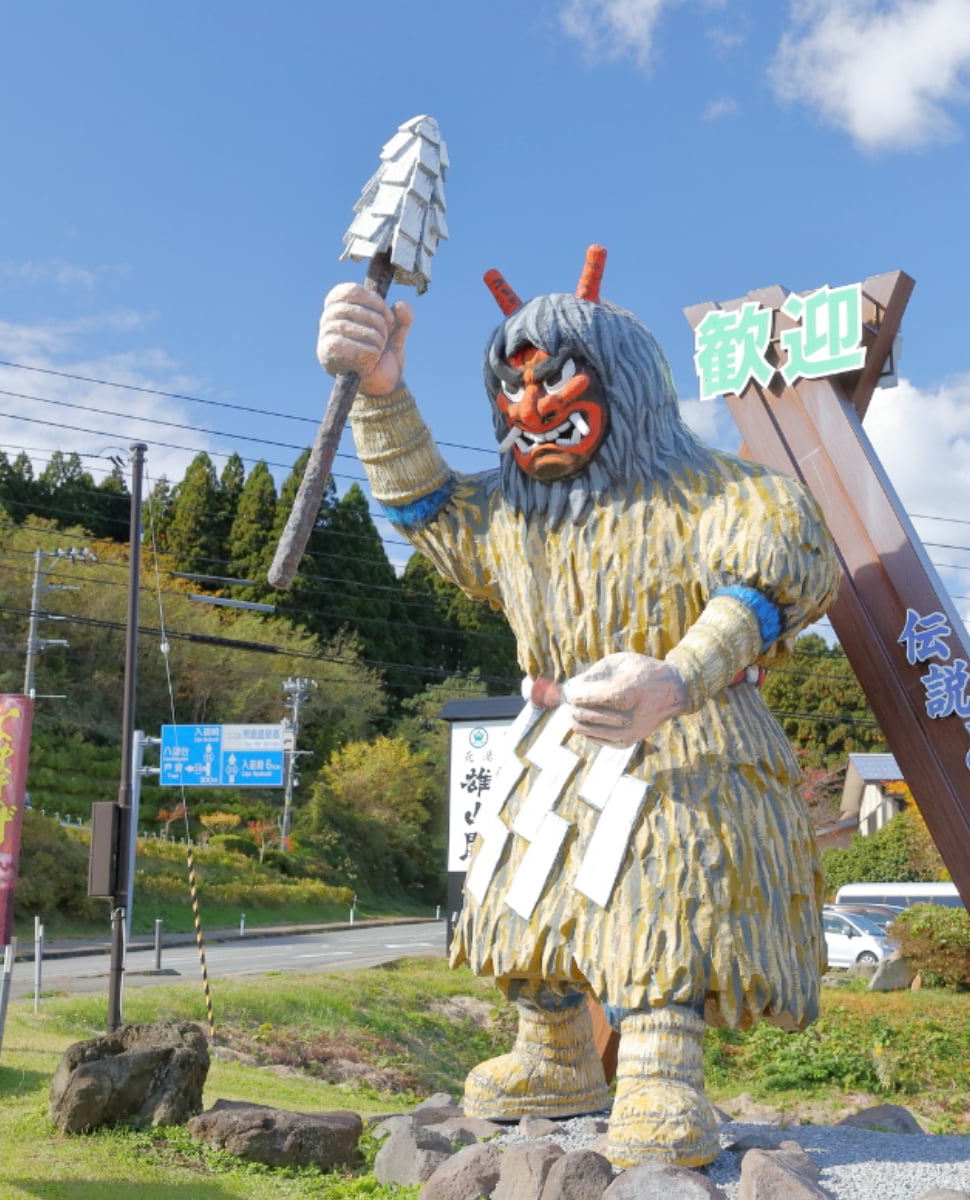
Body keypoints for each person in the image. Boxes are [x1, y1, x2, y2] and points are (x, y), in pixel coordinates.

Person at [319, 246, 838, 1168]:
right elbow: (430, 511)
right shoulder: (516, 516)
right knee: (526, 882)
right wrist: (380, 394)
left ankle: (661, 1068)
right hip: (558, 733)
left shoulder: (718, 493)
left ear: (625, 386)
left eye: (556, 383)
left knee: (667, 883)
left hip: (688, 730)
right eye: (512, 391)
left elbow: (766, 583)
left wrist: (676, 678)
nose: (531, 410)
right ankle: (553, 1052)